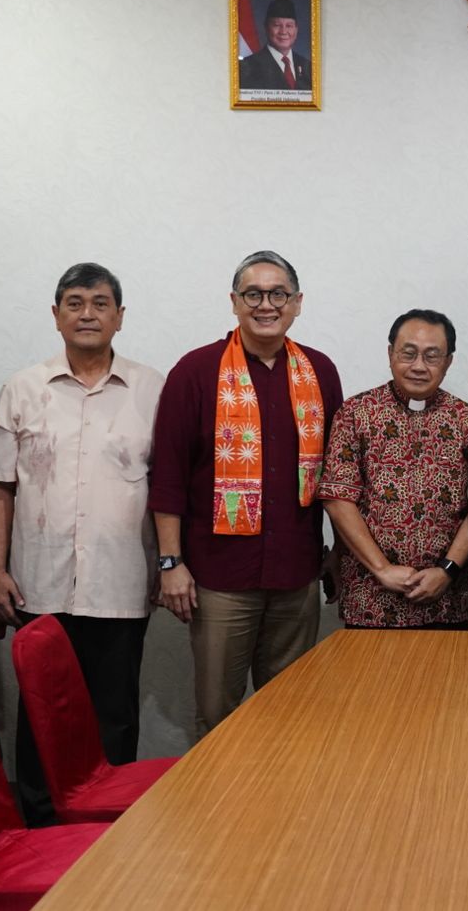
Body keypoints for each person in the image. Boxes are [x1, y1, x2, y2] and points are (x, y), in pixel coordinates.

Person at [0, 263, 165, 823]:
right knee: (43, 715)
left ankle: (108, 836)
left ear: (120, 316)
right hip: (39, 582)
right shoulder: (23, 388)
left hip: (122, 580)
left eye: (101, 303)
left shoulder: (153, 390)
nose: (88, 313)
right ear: (56, 314)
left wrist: (170, 562)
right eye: (76, 302)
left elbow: (172, 486)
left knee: (114, 716)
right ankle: (39, 825)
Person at [148, 251, 343, 735]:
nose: (266, 305)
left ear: (297, 303)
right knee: (218, 713)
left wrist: (340, 552)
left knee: (290, 713)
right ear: (234, 303)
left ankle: (280, 808)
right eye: (253, 294)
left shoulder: (319, 372)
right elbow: (167, 474)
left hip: (296, 575)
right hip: (219, 578)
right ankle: (212, 810)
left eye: (278, 294)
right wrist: (170, 564)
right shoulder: (195, 372)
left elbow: (338, 475)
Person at [322, 309, 468, 629]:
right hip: (371, 598)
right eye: (408, 353)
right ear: (390, 353)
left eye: (432, 356)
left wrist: (447, 570)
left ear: (449, 361)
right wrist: (382, 569)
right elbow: (338, 498)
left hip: (445, 598)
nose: (419, 366)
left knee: (448, 681)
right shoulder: (356, 413)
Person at [238, 0, 312, 91]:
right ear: (266, 27)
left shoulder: (308, 67)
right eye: (277, 25)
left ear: (296, 29)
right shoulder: (246, 67)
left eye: (289, 26)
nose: (283, 31)